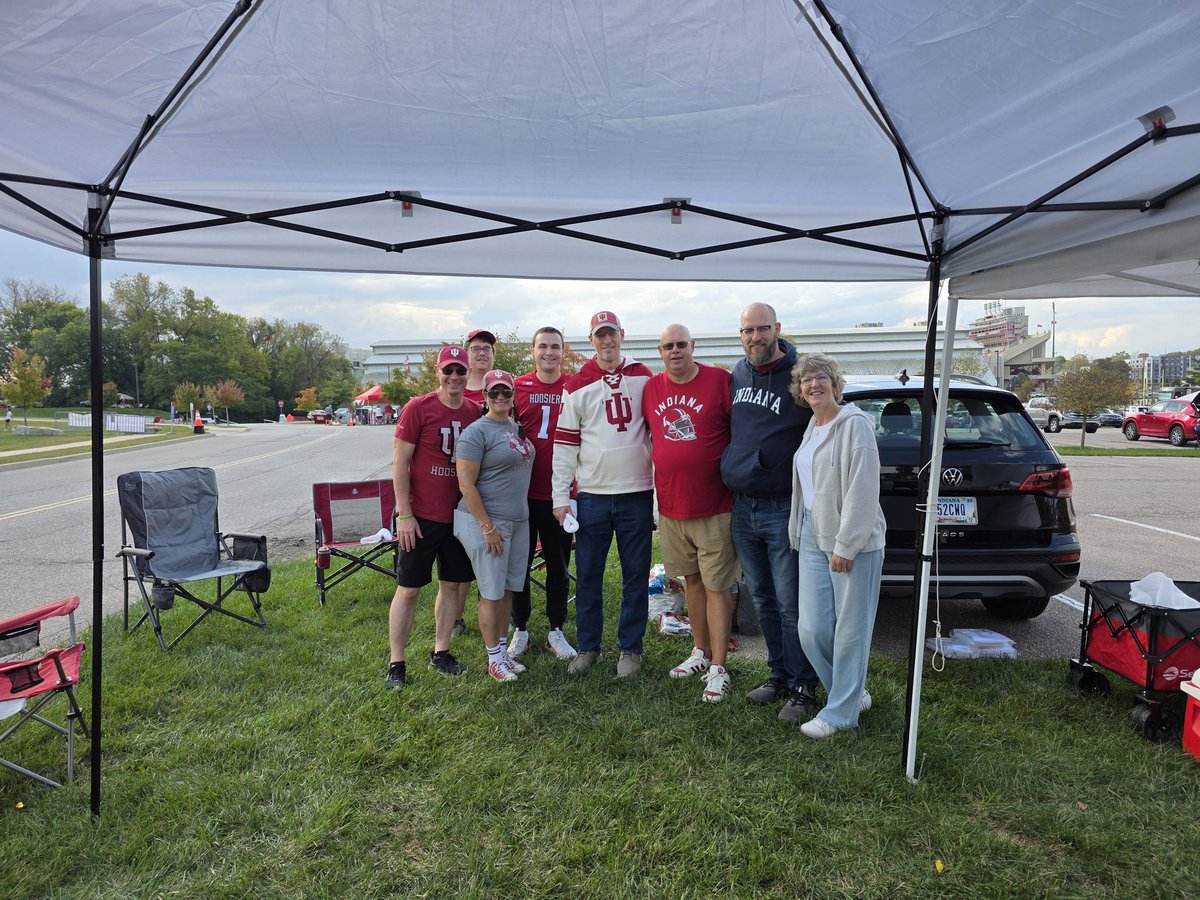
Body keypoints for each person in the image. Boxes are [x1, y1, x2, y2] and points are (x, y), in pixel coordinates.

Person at [719, 302, 821, 723]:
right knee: (762, 599)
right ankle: (777, 674)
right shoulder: (738, 374)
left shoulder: (800, 374)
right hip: (744, 507)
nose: (755, 337)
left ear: (777, 329)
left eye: (763, 329)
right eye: (748, 331)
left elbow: (826, 421)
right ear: (740, 334)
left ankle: (803, 686)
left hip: (783, 508)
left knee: (791, 603)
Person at [786, 352, 886, 738]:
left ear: (834, 382)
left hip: (852, 539)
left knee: (851, 629)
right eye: (806, 380)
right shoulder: (813, 426)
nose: (814, 384)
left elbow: (863, 489)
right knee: (810, 628)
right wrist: (801, 529)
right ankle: (850, 692)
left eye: (820, 377)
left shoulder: (854, 424)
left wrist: (846, 544)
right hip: (813, 532)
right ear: (800, 390)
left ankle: (842, 713)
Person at [552, 310, 654, 678]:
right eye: (600, 335)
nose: (607, 340)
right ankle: (588, 646)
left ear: (622, 335)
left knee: (634, 575)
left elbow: (657, 433)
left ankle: (631, 649)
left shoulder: (644, 376)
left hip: (636, 493)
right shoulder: (577, 384)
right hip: (593, 494)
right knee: (589, 575)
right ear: (591, 340)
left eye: (612, 333)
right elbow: (564, 446)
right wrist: (560, 498)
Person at [642, 324, 737, 702]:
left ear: (693, 346)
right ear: (660, 350)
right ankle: (700, 651)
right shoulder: (651, 388)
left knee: (717, 587)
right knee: (691, 583)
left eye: (682, 344)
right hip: (671, 507)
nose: (676, 351)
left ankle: (720, 667)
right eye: (669, 346)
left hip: (714, 506)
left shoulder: (719, 381)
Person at [384, 345, 482, 690]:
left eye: (460, 371)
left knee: (452, 585)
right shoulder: (418, 407)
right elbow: (399, 463)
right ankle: (397, 661)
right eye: (448, 371)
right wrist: (404, 514)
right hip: (422, 516)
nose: (454, 377)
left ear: (468, 374)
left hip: (459, 515)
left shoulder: (475, 410)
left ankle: (441, 651)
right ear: (438, 373)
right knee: (409, 589)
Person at [455, 370, 537, 682]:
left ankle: (502, 652)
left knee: (508, 589)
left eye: (506, 392)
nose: (500, 398)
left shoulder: (516, 428)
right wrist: (487, 526)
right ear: (485, 397)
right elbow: (466, 485)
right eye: (494, 393)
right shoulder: (476, 432)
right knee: (491, 591)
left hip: (519, 520)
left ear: (514, 394)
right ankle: (493, 659)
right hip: (489, 521)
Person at [510, 326, 578, 660]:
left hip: (560, 495)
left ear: (563, 351)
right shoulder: (516, 387)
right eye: (543, 347)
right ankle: (520, 628)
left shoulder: (575, 386)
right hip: (521, 494)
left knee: (558, 564)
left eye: (555, 347)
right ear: (533, 350)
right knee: (519, 565)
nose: (549, 353)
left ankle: (556, 628)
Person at [451, 327, 497, 637]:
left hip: (494, 485)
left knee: (492, 554)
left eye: (488, 348)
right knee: (458, 560)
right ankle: (454, 618)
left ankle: (493, 612)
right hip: (457, 483)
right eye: (476, 347)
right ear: (467, 354)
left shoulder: (502, 387)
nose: (482, 352)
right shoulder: (456, 388)